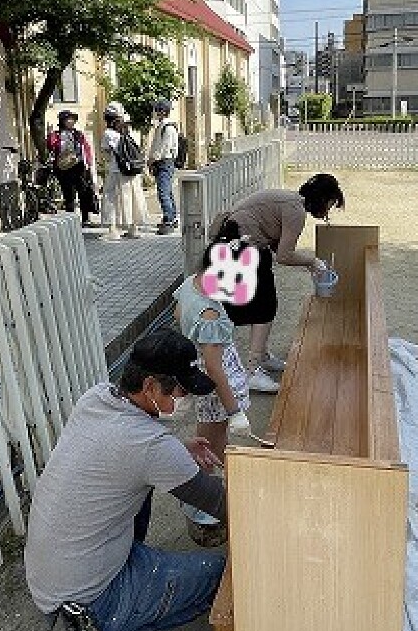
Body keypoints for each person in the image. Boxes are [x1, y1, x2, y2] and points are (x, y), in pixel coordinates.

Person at [24, 330, 227, 631]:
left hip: (51, 572)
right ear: (150, 385)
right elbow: (221, 504)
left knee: (140, 491)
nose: (182, 399)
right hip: (88, 596)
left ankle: (91, 610)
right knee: (219, 577)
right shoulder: (150, 448)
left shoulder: (97, 397)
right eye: (178, 391)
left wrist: (178, 451)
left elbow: (119, 455)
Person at [209, 173, 345, 393]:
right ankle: (252, 371)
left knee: (263, 304)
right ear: (322, 198)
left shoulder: (290, 201)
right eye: (330, 203)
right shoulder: (295, 210)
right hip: (241, 247)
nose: (328, 211)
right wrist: (313, 261)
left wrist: (308, 264)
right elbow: (284, 255)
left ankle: (261, 356)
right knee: (264, 308)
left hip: (235, 244)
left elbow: (276, 246)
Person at [173, 219, 252, 545]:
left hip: (203, 376)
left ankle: (201, 502)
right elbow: (217, 369)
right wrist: (234, 410)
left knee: (206, 441)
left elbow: (178, 316)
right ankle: (205, 511)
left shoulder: (191, 284)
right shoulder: (211, 316)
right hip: (218, 386)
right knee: (211, 448)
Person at [100, 101, 148, 239]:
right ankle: (134, 228)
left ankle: (113, 230)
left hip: (117, 170)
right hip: (132, 170)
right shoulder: (129, 131)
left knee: (111, 197)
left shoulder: (108, 133)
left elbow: (106, 152)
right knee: (134, 196)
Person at [46, 110, 99, 227]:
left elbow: (86, 148)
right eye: (68, 119)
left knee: (84, 193)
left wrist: (89, 163)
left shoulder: (78, 134)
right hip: (63, 169)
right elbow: (51, 146)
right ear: (62, 121)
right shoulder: (57, 134)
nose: (71, 121)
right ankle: (71, 221)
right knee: (68, 195)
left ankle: (85, 219)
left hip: (79, 167)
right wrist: (49, 134)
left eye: (72, 119)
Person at [147, 97, 179, 234]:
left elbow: (164, 148)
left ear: (162, 112)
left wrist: (152, 160)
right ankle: (171, 217)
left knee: (163, 193)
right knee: (167, 192)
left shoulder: (168, 127)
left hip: (165, 162)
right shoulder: (162, 126)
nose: (155, 112)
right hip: (164, 162)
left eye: (157, 110)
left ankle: (169, 222)